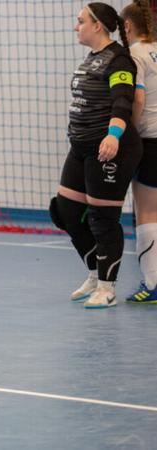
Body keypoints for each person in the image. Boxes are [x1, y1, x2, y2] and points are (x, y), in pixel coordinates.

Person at [51, 3, 142, 309]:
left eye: (80, 22)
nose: (76, 27)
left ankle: (107, 286)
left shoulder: (119, 61)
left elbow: (122, 103)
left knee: (103, 219)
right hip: (81, 148)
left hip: (109, 148)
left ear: (98, 26)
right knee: (64, 210)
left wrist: (113, 136)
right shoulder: (92, 59)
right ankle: (94, 274)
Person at [121, 1, 157, 304]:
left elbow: (138, 101)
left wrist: (126, 134)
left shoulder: (134, 54)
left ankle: (152, 284)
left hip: (150, 139)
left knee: (146, 212)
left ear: (128, 26)